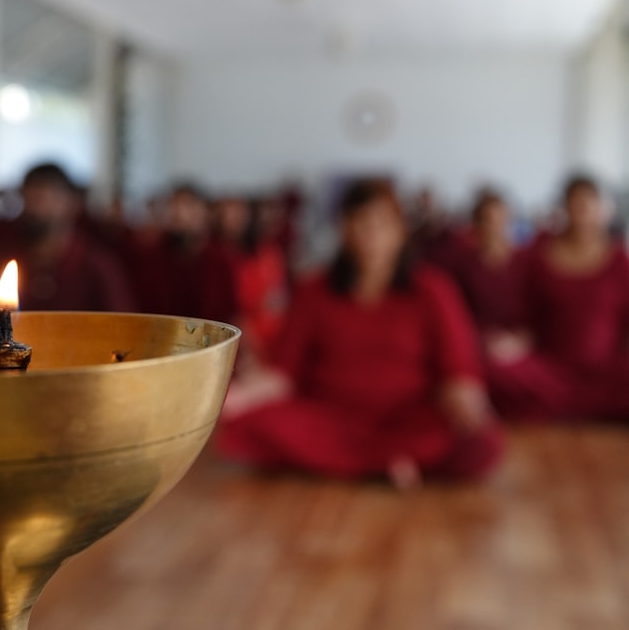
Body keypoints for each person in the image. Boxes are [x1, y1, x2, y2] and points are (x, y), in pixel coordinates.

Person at [216, 178, 503, 487]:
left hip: (408, 418)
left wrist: (464, 397)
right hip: (329, 418)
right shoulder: (314, 290)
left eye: (382, 223)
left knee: (482, 442)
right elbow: (284, 373)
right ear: (344, 230)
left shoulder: (433, 289)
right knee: (245, 426)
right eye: (361, 223)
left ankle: (369, 459)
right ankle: (391, 461)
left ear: (400, 231)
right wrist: (238, 399)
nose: (372, 235)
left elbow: (457, 368)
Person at [488, 175, 629, 422]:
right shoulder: (539, 257)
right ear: (564, 208)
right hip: (550, 371)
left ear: (604, 210)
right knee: (494, 369)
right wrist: (512, 344)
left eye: (590, 204)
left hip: (606, 372)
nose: (583, 212)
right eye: (576, 204)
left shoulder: (619, 261)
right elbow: (526, 319)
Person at [0, 162, 135, 312]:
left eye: (43, 200)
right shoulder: (3, 258)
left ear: (71, 204)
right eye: (28, 199)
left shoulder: (97, 265)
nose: (34, 210)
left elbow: (119, 325)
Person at [136, 184, 238, 323]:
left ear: (204, 212)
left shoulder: (220, 258)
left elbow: (230, 311)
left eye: (187, 206)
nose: (178, 213)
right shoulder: (153, 256)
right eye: (173, 206)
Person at [448, 190, 529, 359]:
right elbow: (458, 314)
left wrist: (520, 341)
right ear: (476, 225)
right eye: (488, 220)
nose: (495, 227)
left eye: (501, 220)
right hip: (478, 345)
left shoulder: (526, 263)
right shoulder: (464, 267)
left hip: (520, 344)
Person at [214, 196, 288, 361]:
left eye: (237, 212)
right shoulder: (217, 256)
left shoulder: (267, 251)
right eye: (225, 213)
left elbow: (278, 296)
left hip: (273, 336)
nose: (231, 218)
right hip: (237, 340)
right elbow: (233, 310)